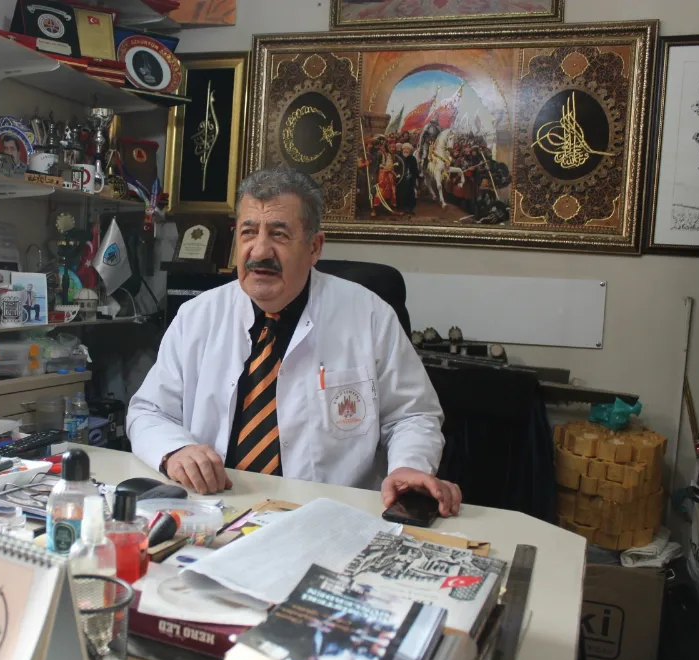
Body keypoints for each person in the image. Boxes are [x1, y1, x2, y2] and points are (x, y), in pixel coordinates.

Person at [127, 167, 459, 515]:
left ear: (315, 247)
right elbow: (148, 411)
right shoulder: (197, 316)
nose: (259, 251)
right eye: (248, 232)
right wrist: (175, 450)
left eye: (279, 234)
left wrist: (408, 466)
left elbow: (412, 415)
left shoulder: (370, 316)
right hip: (217, 511)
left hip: (332, 516)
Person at [396, 143, 420, 214]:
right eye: (404, 149)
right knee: (400, 193)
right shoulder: (399, 158)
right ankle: (401, 208)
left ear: (410, 151)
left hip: (410, 180)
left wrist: (416, 176)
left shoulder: (413, 159)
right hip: (400, 180)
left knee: (410, 193)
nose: (406, 150)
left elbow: (415, 169)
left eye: (408, 149)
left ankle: (410, 209)